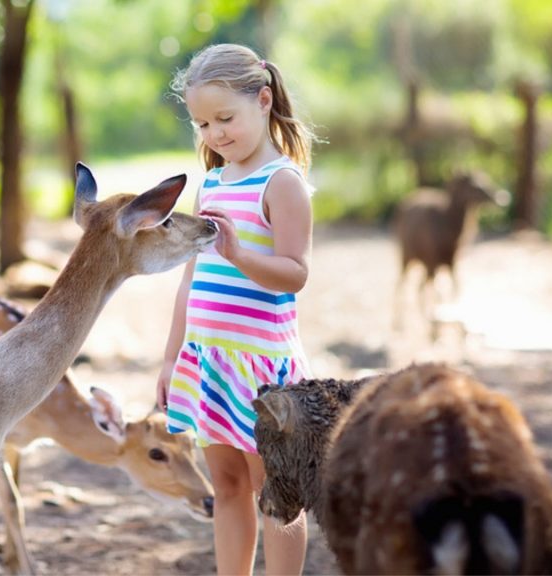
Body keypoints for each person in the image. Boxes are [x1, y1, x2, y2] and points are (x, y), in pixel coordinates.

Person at [157, 43, 315, 575]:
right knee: (226, 486)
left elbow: (295, 272)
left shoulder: (282, 183)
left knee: (276, 493)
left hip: (262, 370)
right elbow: (191, 278)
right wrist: (171, 357)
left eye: (225, 118)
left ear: (264, 100)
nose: (215, 134)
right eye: (202, 124)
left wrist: (241, 255)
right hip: (211, 362)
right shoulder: (211, 183)